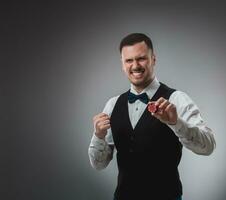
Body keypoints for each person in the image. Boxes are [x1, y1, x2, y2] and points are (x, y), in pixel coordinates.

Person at [88, 33, 216, 200]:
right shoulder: (112, 105)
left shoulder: (177, 99)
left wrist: (175, 123)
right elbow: (99, 164)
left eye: (141, 58)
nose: (135, 66)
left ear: (153, 59)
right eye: (129, 60)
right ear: (122, 64)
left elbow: (208, 146)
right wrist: (98, 136)